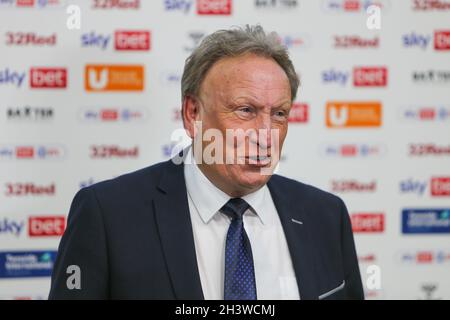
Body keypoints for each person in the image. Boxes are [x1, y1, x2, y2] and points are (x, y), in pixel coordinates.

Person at [49, 25, 364, 300]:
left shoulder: (326, 216)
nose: (266, 135)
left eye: (279, 114)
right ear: (193, 114)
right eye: (245, 110)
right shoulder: (107, 216)